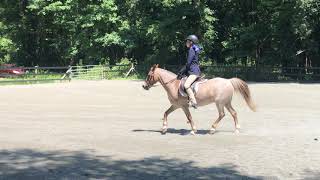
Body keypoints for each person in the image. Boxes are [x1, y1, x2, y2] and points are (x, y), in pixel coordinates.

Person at [177, 35, 201, 109]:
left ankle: (193, 101)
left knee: (186, 85)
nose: (186, 43)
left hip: (194, 72)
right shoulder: (193, 49)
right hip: (192, 71)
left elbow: (188, 63)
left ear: (191, 42)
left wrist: (181, 71)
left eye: (187, 41)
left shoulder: (191, 49)